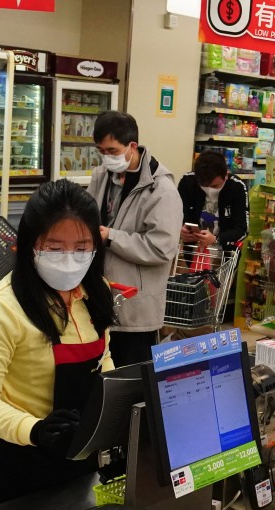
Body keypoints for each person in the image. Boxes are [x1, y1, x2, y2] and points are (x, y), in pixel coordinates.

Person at [0, 180, 116, 509]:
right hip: (14, 463)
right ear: (30, 244)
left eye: (82, 248)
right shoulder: (0, 309)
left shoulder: (94, 293)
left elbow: (103, 361)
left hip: (78, 458)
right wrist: (33, 429)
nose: (70, 260)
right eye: (56, 248)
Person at [88, 111, 182, 367]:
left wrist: (111, 237)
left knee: (131, 381)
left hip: (135, 307)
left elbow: (161, 248)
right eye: (101, 150)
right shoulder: (101, 176)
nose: (107, 157)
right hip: (99, 297)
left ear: (132, 146)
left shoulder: (161, 190)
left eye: (112, 150)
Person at [177, 150, 248, 252]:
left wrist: (216, 239)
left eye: (215, 186)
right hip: (192, 253)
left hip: (226, 256)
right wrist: (180, 230)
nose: (210, 190)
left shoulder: (237, 187)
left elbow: (242, 229)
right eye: (204, 186)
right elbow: (174, 217)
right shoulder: (188, 182)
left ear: (226, 175)